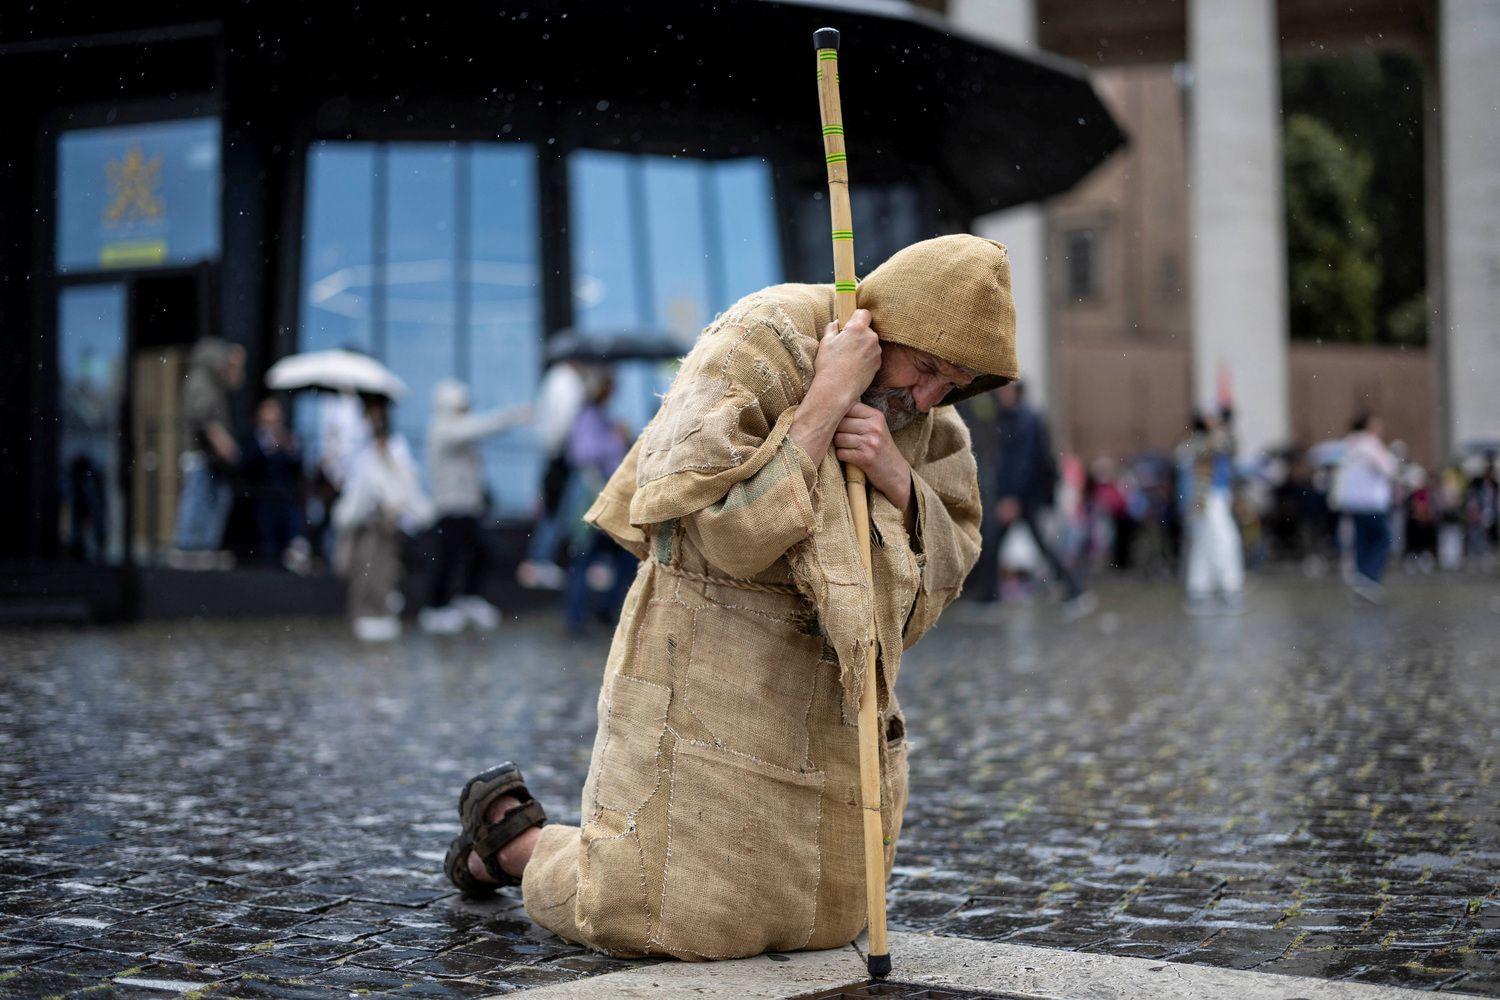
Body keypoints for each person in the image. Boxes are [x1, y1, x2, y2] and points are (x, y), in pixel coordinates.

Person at [441, 235, 1012, 961]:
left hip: (828, 709)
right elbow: (711, 533)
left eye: (952, 383)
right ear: (882, 323)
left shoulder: (929, 421)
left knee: (826, 920)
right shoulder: (760, 337)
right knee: (659, 913)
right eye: (924, 368)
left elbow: (955, 554)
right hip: (712, 673)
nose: (927, 397)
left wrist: (898, 477)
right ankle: (515, 842)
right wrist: (825, 400)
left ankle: (527, 842)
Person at [419, 380, 529, 634]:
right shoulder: (442, 429)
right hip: (449, 508)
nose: (465, 413)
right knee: (447, 558)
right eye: (461, 408)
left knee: (478, 553)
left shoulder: (457, 432)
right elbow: (475, 428)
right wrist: (509, 417)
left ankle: (466, 599)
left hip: (467, 508)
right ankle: (436, 607)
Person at [332, 396, 433, 642]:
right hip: (365, 523)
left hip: (387, 523)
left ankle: (381, 612)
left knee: (385, 569)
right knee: (363, 568)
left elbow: (404, 482)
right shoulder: (358, 447)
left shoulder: (395, 446)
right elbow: (352, 482)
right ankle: (362, 613)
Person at [991, 381, 1094, 618]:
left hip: (1026, 496)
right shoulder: (1016, 417)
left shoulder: (1025, 419)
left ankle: (1074, 589)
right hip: (1026, 494)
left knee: (1034, 544)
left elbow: (1023, 462)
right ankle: (987, 595)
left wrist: (1012, 496)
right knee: (1000, 543)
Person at [560, 370, 636, 632]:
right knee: (584, 557)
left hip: (606, 497)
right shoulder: (587, 419)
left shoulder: (602, 419)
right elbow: (583, 454)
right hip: (590, 498)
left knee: (619, 556)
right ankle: (577, 615)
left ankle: (603, 608)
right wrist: (613, 439)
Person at [172, 338, 246, 568]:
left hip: (208, 457)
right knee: (197, 498)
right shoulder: (201, 380)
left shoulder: (213, 383)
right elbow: (204, 417)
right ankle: (186, 547)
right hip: (199, 454)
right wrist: (224, 443)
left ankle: (202, 547)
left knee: (214, 499)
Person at [516, 358, 588, 590]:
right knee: (557, 509)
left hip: (554, 453)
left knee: (552, 507)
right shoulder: (567, 383)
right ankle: (540, 560)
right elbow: (564, 420)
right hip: (562, 455)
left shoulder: (554, 380)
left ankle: (540, 560)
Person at [1177, 408, 1244, 613]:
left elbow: (1229, 447)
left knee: (1207, 544)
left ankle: (1202, 589)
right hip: (1206, 500)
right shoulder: (1197, 444)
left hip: (1214, 498)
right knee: (1222, 541)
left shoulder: (1210, 442)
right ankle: (1226, 588)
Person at [1333, 412, 1399, 602]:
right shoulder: (1370, 445)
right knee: (1382, 539)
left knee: (1362, 540)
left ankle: (1361, 578)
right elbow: (1389, 468)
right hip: (1371, 502)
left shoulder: (1348, 445)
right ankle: (1369, 577)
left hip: (1352, 502)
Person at [240, 397, 310, 572]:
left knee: (292, 544)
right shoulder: (252, 438)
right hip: (262, 501)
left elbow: (298, 467)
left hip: (285, 500)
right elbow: (246, 464)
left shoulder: (288, 438)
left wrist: (288, 447)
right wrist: (267, 447)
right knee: (267, 549)